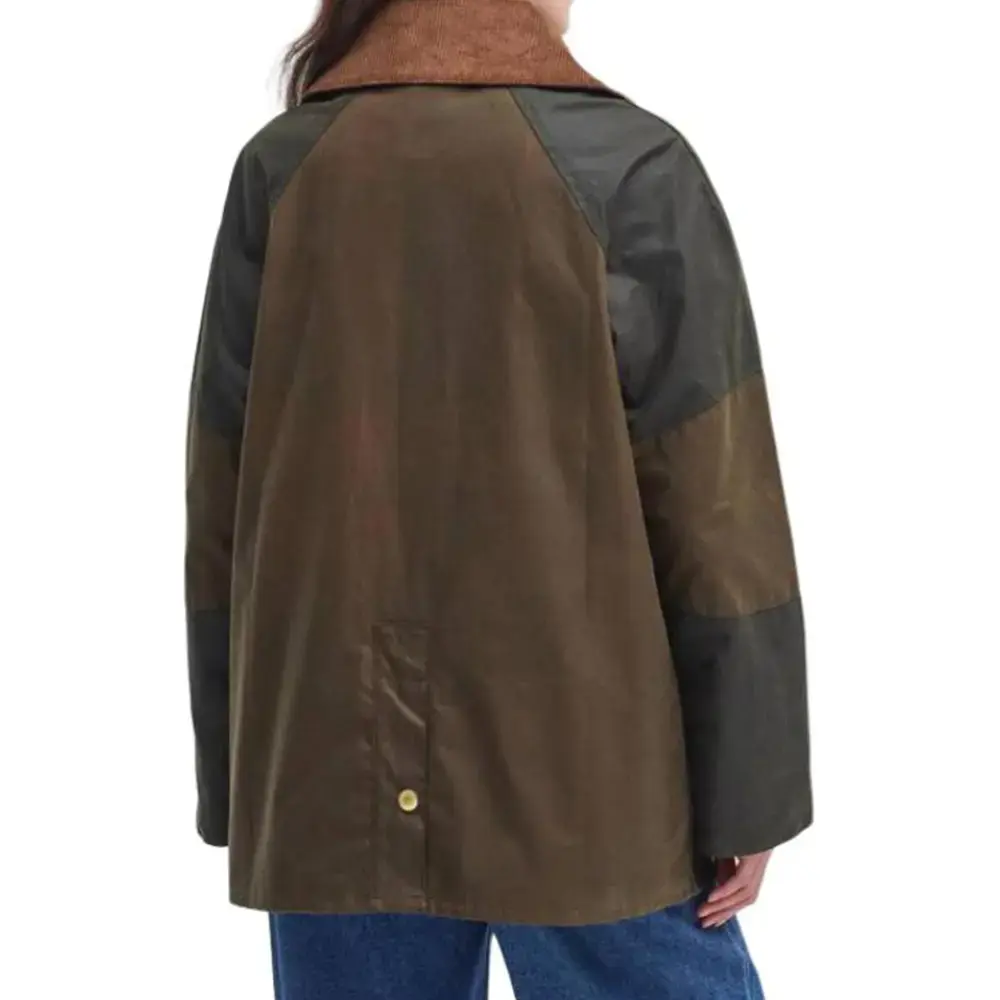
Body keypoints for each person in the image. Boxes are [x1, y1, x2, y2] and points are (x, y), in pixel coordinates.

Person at [183, 0, 813, 996]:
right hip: (583, 783)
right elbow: (715, 503)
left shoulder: (283, 168)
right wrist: (751, 787)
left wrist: (242, 780)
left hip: (324, 777)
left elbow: (222, 499)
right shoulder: (630, 165)